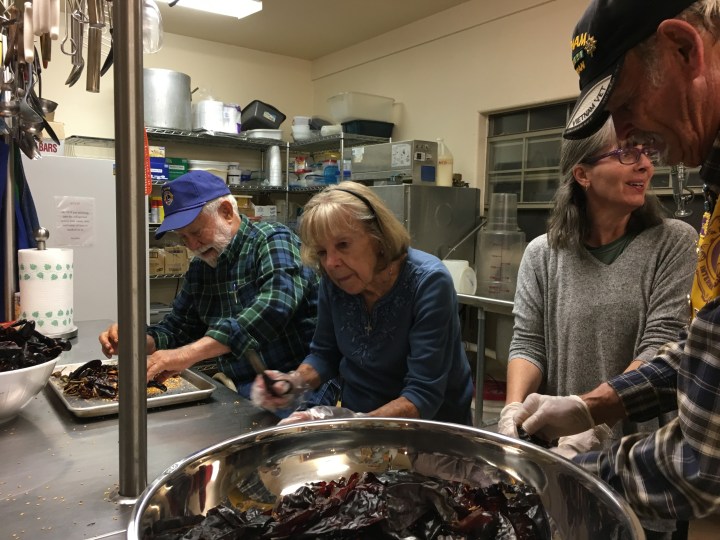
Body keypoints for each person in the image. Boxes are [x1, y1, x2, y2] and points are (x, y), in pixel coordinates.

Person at [514, 0, 720, 525]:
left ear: (683, 48)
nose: (631, 139)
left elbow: (702, 463)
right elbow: (701, 357)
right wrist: (592, 405)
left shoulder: (670, 240)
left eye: (626, 104)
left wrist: (574, 472)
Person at [499, 117, 697, 449]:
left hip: (640, 450)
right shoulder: (543, 254)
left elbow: (659, 346)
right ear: (582, 174)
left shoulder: (673, 243)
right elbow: (528, 344)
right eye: (627, 154)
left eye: (647, 153)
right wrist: (512, 411)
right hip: (556, 441)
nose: (646, 166)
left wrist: (593, 417)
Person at [98, 170, 337, 412]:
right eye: (183, 238)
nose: (192, 246)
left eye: (196, 232)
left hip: (301, 385)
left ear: (226, 211)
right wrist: (137, 341)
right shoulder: (201, 269)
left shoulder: (272, 240)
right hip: (245, 389)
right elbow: (178, 328)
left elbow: (274, 307)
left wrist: (185, 355)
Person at [250, 181, 474, 425]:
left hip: (431, 433)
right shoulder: (334, 281)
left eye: (343, 245)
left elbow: (422, 396)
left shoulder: (428, 282)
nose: (331, 263)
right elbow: (325, 354)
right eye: (322, 252)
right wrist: (292, 383)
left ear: (378, 237)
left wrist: (351, 422)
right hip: (360, 424)